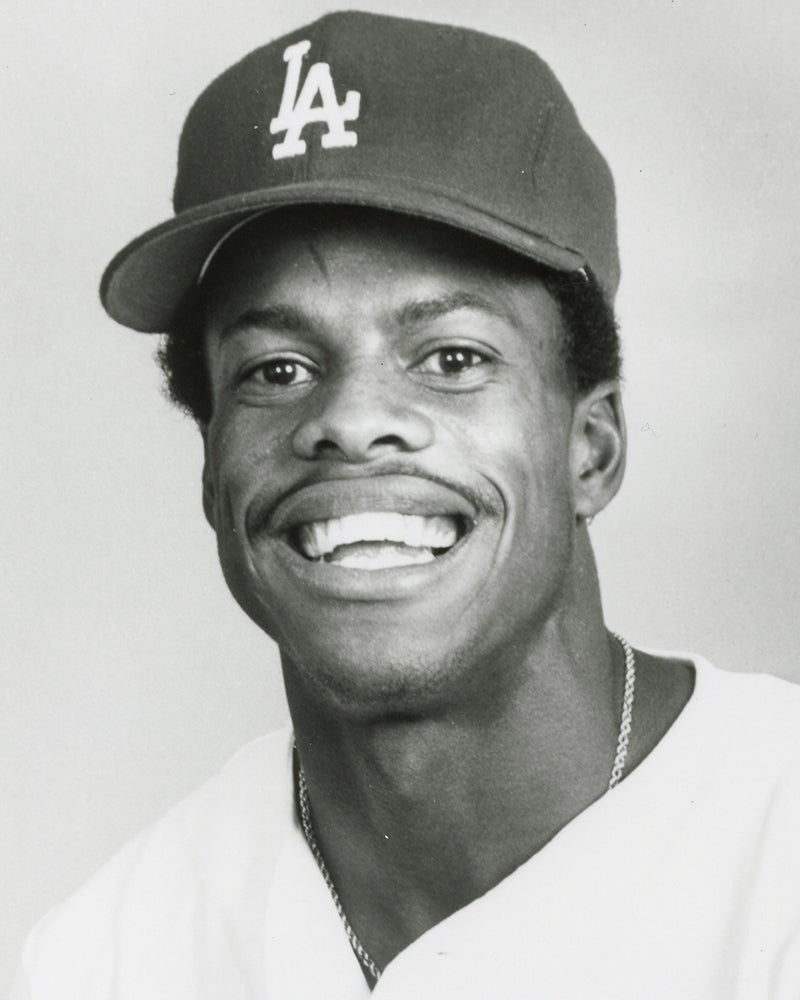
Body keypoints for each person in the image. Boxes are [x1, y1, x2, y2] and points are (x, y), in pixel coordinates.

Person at [11, 10, 800, 999]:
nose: (349, 420)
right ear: (212, 472)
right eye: (276, 369)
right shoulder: (104, 960)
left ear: (589, 449)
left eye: (452, 358)